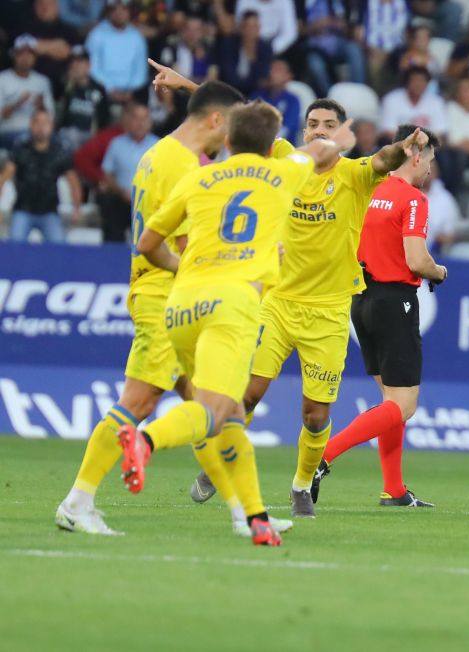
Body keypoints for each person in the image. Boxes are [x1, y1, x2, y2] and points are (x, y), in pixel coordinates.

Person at [187, 99, 431, 519]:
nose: (320, 131)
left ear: (340, 134)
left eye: (329, 125)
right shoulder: (284, 157)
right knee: (248, 392)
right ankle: (217, 462)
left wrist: (403, 148)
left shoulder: (354, 175)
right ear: (303, 134)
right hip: (278, 304)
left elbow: (382, 159)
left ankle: (302, 484)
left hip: (329, 313)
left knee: (315, 414)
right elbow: (237, 113)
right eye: (313, 124)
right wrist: (190, 87)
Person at [53, 79, 259, 537]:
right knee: (140, 400)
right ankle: (76, 501)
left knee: (209, 407)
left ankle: (246, 514)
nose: (229, 139)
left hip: (169, 295)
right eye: (230, 126)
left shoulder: (158, 155)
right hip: (165, 298)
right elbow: (175, 245)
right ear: (215, 119)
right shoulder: (183, 166)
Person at [124, 101, 318, 547]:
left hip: (181, 304)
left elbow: (147, 242)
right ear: (271, 145)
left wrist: (181, 267)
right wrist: (331, 140)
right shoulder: (283, 171)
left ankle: (255, 519)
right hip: (231, 305)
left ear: (227, 140)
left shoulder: (198, 175)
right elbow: (320, 152)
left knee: (230, 418)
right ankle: (144, 440)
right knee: (212, 411)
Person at [311, 125, 445, 508]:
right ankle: (321, 456)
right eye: (430, 160)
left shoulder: (367, 189)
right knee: (404, 405)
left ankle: (395, 490)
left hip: (361, 300)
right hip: (395, 300)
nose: (430, 171)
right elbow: (417, 259)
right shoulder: (413, 198)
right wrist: (439, 272)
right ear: (416, 155)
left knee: (389, 402)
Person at [1, 108, 80, 243]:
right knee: (14, 249)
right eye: (37, 122)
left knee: (59, 250)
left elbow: (73, 182)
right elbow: (3, 178)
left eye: (45, 123)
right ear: (31, 125)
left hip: (50, 212)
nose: (41, 127)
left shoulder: (59, 152)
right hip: (23, 210)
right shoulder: (20, 150)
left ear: (51, 126)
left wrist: (76, 208)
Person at [98, 102, 157, 242]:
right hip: (121, 199)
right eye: (136, 118)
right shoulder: (116, 144)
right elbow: (107, 174)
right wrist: (121, 191)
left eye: (144, 119)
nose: (140, 123)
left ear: (150, 122)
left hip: (149, 202)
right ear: (128, 121)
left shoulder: (159, 145)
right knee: (109, 205)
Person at [85, 0, 148, 104]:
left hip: (132, 93)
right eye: (115, 9)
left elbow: (141, 70)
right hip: (102, 90)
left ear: (129, 11)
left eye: (123, 9)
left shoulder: (137, 37)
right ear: (109, 11)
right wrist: (110, 88)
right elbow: (91, 66)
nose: (119, 13)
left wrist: (130, 91)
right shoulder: (96, 34)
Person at [0, 35, 55, 149]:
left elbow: (51, 117)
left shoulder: (42, 81)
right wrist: (17, 104)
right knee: (24, 142)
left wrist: (41, 105)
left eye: (30, 54)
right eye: (21, 54)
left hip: (37, 133)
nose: (25, 58)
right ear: (14, 55)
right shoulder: (2, 79)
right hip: (9, 131)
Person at [57, 45, 111, 150]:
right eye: (72, 62)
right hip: (68, 134)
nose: (75, 66)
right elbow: (59, 115)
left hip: (90, 135)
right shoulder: (64, 85)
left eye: (79, 62)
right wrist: (69, 85)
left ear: (88, 65)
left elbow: (104, 118)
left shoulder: (98, 89)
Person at [379, 66, 447, 142]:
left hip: (427, 147)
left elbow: (439, 132)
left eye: (422, 80)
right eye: (415, 80)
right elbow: (388, 131)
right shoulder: (391, 99)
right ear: (407, 82)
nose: (418, 84)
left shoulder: (436, 101)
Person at [215, 10, 273, 96]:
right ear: (241, 28)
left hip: (255, 95)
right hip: (229, 92)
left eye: (255, 27)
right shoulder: (229, 44)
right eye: (248, 27)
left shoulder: (265, 48)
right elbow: (228, 76)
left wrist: (252, 60)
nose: (251, 31)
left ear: (259, 29)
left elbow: (263, 79)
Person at [251, 59, 300, 145]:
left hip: (284, 148)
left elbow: (285, 130)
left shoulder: (293, 100)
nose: (272, 73)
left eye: (278, 70)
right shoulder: (257, 95)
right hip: (256, 146)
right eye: (271, 69)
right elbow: (249, 122)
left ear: (289, 76)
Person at [233, 0, 298, 55]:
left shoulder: (285, 1)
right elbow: (240, 27)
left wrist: (270, 49)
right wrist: (251, 47)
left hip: (275, 47)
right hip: (249, 44)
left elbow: (290, 33)